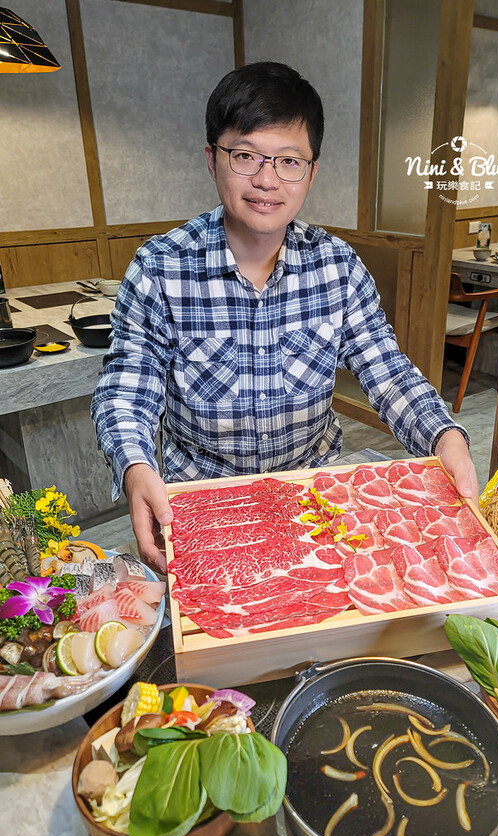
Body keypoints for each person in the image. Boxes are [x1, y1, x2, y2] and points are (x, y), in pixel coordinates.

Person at [91, 61, 478, 572]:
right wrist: (136, 468)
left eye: (289, 161)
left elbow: (388, 372)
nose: (266, 180)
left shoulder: (337, 266)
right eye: (245, 156)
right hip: (207, 507)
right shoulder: (161, 267)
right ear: (212, 159)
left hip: (316, 503)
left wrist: (445, 437)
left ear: (311, 172)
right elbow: (127, 388)